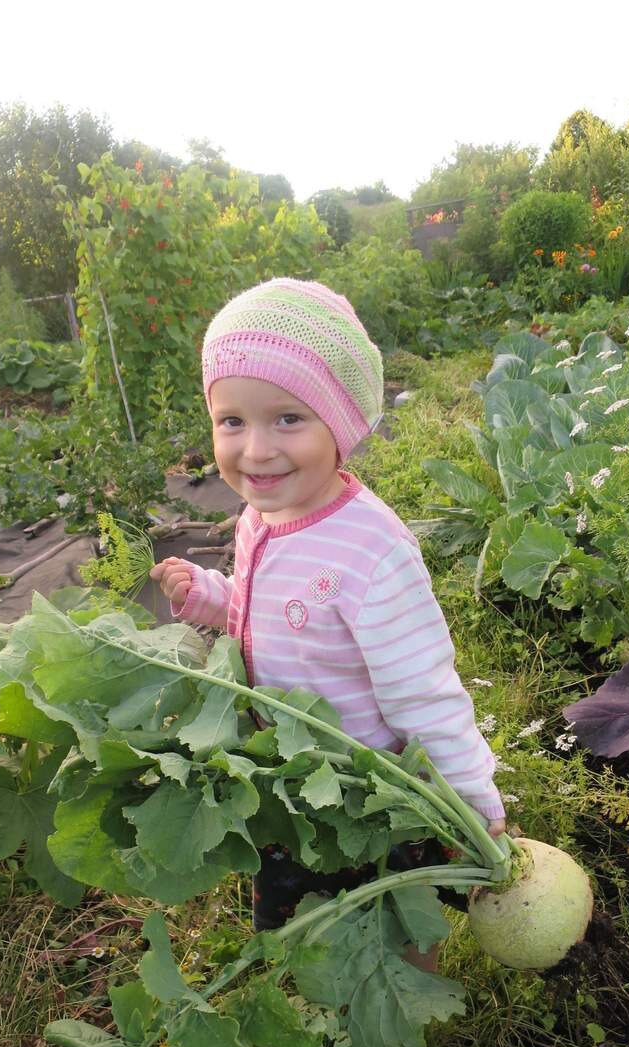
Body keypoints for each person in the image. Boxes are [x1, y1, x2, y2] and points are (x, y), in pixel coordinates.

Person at [150, 277, 505, 971]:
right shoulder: (261, 516)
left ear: (342, 426)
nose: (255, 450)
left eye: (287, 419)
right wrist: (208, 597)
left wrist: (469, 792)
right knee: (304, 910)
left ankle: (403, 998)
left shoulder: (371, 551)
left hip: (368, 786)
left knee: (391, 911)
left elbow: (423, 689)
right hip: (288, 776)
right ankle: (323, 992)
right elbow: (262, 612)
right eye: (231, 421)